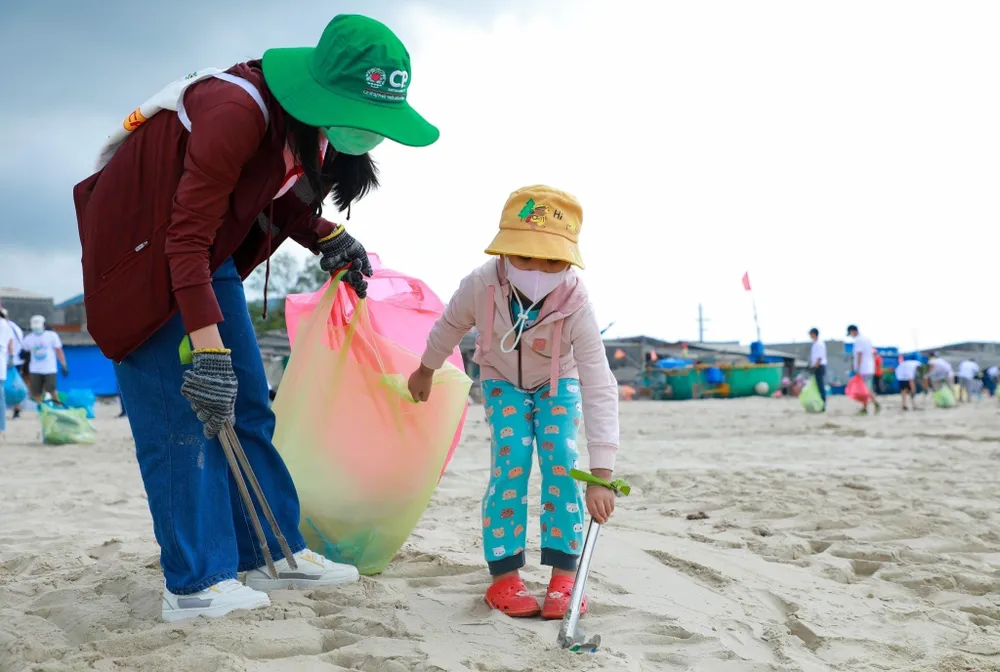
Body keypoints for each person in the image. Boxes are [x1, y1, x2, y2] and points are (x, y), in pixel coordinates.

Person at [72, 14, 440, 622]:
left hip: (205, 254)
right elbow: (183, 237)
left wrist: (326, 234)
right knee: (186, 419)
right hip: (146, 257)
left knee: (247, 406)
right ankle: (195, 584)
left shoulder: (309, 127)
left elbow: (267, 196)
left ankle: (271, 553)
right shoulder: (236, 110)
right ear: (324, 91)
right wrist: (207, 351)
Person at [408, 186, 619, 620]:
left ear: (569, 261)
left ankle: (565, 577)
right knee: (512, 461)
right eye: (525, 256)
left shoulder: (576, 302)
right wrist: (426, 368)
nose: (538, 269)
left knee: (561, 459)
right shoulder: (480, 284)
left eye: (552, 261)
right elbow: (449, 325)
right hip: (501, 379)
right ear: (504, 250)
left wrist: (602, 475)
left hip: (558, 382)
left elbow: (599, 383)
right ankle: (504, 577)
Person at [21, 316, 68, 405]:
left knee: (51, 388)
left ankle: (58, 404)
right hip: (35, 369)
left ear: (44, 325)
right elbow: (24, 350)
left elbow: (59, 350)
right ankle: (41, 407)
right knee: (35, 391)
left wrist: (64, 364)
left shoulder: (52, 336)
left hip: (49, 368)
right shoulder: (29, 338)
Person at [846, 325, 880, 414]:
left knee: (864, 390)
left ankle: (873, 405)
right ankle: (866, 407)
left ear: (853, 331)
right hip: (869, 368)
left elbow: (859, 354)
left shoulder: (858, 340)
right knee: (865, 389)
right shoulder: (866, 339)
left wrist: (857, 369)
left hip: (863, 368)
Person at [0, 312, 13, 441]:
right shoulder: (7, 325)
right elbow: (10, 344)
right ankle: (1, 427)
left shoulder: (3, 324)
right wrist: (12, 357)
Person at [808, 328, 827, 411]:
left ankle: (822, 404)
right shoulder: (815, 344)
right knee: (817, 386)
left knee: (820, 386)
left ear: (814, 334)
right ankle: (819, 403)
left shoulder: (819, 344)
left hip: (819, 366)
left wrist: (815, 367)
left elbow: (819, 358)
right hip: (816, 366)